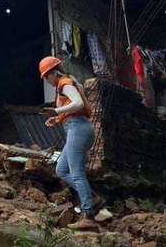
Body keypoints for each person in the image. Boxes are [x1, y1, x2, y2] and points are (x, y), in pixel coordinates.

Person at [38, 56, 102, 230]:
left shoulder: (64, 83)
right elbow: (75, 108)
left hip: (78, 129)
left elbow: (78, 103)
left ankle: (88, 215)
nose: (47, 80)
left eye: (46, 76)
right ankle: (92, 198)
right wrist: (56, 118)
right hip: (75, 127)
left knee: (76, 173)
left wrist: (56, 110)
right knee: (61, 169)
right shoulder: (68, 83)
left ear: (53, 73)